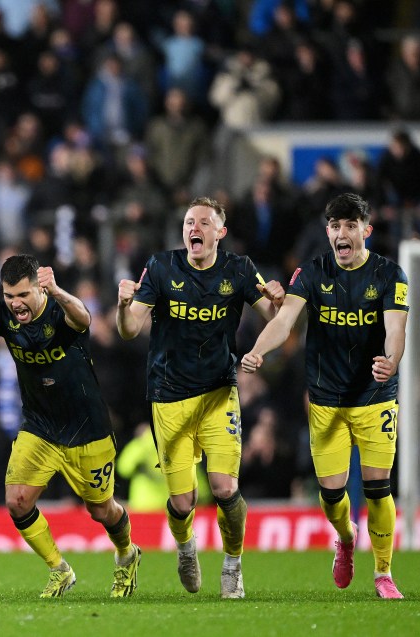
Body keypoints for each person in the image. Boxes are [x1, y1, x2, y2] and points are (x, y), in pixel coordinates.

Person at [115, 196, 284, 599]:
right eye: (191, 221)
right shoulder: (160, 267)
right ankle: (187, 549)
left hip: (218, 392)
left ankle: (233, 565)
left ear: (219, 233)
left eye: (205, 222)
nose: (196, 228)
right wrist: (123, 306)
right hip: (168, 396)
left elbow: (275, 321)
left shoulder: (238, 269)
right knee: (182, 501)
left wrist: (278, 303)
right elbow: (128, 329)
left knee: (225, 489)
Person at [241, 193, 408, 600]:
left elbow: (396, 328)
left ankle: (383, 573)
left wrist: (391, 360)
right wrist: (259, 349)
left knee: (378, 488)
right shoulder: (312, 273)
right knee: (332, 495)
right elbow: (284, 320)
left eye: (350, 225)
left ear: (366, 231)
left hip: (375, 396)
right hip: (326, 400)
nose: (342, 233)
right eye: (335, 226)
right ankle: (346, 538)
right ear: (328, 231)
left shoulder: (389, 274)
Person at [0, 254, 141, 599]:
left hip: (87, 426)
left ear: (39, 286)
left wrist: (57, 291)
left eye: (23, 295)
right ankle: (59, 569)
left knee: (101, 509)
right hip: (40, 426)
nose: (16, 304)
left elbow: (83, 319)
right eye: (10, 296)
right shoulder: (2, 315)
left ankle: (127, 554)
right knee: (18, 501)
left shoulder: (59, 309)